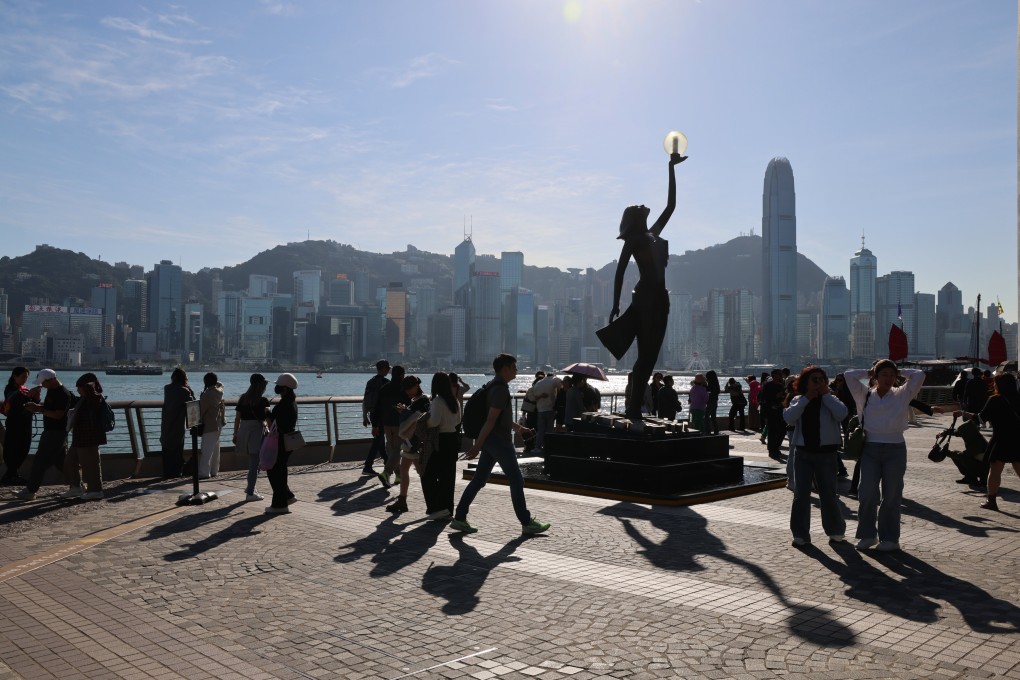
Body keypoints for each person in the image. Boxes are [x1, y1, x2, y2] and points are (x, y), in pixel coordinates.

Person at [603, 152, 685, 431]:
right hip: (645, 297)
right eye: (636, 207)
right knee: (644, 357)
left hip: (661, 298)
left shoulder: (654, 232)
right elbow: (619, 272)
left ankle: (634, 406)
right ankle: (633, 407)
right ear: (631, 219)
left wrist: (671, 168)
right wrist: (615, 304)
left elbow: (671, 205)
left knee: (651, 357)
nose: (642, 205)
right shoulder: (635, 240)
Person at [450, 353, 548, 536]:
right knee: (516, 479)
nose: (516, 370)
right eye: (514, 367)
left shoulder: (493, 386)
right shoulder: (500, 389)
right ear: (505, 369)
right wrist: (477, 446)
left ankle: (460, 517)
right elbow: (490, 420)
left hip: (491, 440)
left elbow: (498, 417)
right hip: (499, 442)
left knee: (479, 480)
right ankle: (526, 523)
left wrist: (519, 428)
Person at [845, 360, 924, 551]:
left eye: (892, 375)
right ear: (875, 377)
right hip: (870, 448)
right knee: (867, 493)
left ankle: (890, 538)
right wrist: (869, 370)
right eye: (884, 375)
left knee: (892, 495)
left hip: (895, 449)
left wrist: (899, 370)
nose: (889, 379)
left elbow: (919, 375)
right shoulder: (865, 394)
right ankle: (867, 535)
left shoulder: (902, 394)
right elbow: (848, 375)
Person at [784, 367, 848, 546]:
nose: (818, 382)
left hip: (827, 454)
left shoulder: (831, 399)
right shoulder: (798, 399)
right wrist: (806, 399)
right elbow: (789, 418)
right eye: (814, 379)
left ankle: (835, 531)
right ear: (805, 382)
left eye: (822, 379)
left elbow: (842, 414)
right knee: (801, 495)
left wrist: (826, 395)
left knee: (828, 494)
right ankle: (800, 534)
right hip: (803, 453)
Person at [956, 373, 1020, 511]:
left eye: (996, 383)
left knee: (995, 471)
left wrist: (963, 413)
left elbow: (980, 419)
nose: (994, 385)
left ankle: (991, 501)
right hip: (1017, 439)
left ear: (1000, 385)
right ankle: (991, 501)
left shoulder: (995, 400)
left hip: (1000, 440)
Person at [17, 369, 71, 500]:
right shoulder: (52, 391)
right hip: (54, 431)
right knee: (62, 462)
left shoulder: (63, 394)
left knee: (40, 461)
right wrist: (37, 405)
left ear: (51, 380)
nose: (43, 386)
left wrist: (38, 409)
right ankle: (77, 485)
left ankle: (30, 490)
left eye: (44, 383)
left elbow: (58, 415)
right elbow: (50, 410)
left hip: (55, 432)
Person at [387, 375, 430, 514]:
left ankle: (432, 502)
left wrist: (404, 411)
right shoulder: (416, 400)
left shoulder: (423, 400)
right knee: (406, 470)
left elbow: (419, 418)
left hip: (416, 442)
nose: (407, 391)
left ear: (416, 386)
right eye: (405, 389)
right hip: (411, 442)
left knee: (422, 473)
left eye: (409, 388)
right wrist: (405, 410)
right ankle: (402, 500)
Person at [421, 372, 461, 521]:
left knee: (427, 474)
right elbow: (457, 421)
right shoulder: (454, 401)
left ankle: (437, 507)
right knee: (448, 476)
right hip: (452, 439)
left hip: (440, 440)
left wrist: (424, 420)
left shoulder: (438, 401)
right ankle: (447, 508)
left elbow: (434, 422)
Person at [66, 373, 107, 500]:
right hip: (79, 437)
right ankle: (76, 487)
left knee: (91, 464)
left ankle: (95, 490)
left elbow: (93, 398)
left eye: (79, 387)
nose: (77, 389)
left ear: (87, 386)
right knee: (70, 461)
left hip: (89, 437)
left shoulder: (94, 398)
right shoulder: (84, 398)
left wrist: (90, 386)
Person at [233, 373, 270, 502]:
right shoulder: (263, 400)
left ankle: (250, 487)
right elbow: (268, 418)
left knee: (255, 461)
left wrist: (235, 433)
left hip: (244, 430)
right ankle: (250, 492)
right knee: (255, 462)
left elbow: (237, 418)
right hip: (257, 432)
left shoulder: (243, 398)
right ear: (261, 385)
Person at [265, 373, 299, 514]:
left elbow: (276, 423)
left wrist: (267, 413)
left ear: (284, 388)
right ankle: (287, 496)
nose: (276, 387)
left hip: (280, 440)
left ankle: (280, 505)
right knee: (280, 469)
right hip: (287, 440)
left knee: (275, 470)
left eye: (278, 385)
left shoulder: (284, 404)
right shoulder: (291, 401)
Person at [372, 365, 407, 488]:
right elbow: (409, 407)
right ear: (402, 375)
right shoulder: (404, 389)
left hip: (386, 423)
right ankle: (387, 473)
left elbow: (377, 407)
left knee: (391, 449)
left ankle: (398, 475)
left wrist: (375, 424)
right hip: (399, 423)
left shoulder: (384, 388)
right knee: (397, 449)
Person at [2, 367, 36, 485]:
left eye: (26, 377)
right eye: (22, 377)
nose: (24, 380)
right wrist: (28, 395)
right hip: (15, 423)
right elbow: (13, 401)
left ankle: (11, 475)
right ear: (14, 376)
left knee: (24, 448)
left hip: (26, 423)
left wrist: (35, 396)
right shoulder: (10, 389)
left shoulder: (24, 389)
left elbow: (32, 403)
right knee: (13, 449)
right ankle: (12, 475)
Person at [160, 368, 194, 480]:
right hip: (178, 424)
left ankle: (166, 472)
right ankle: (175, 472)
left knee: (166, 446)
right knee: (177, 448)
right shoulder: (184, 391)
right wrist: (190, 390)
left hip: (166, 422)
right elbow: (192, 404)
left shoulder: (167, 388)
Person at [361, 360, 390, 475]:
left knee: (380, 442)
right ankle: (367, 466)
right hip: (382, 415)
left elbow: (365, 400)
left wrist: (364, 416)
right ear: (383, 369)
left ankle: (388, 463)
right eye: (387, 368)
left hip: (372, 414)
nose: (388, 370)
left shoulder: (370, 382)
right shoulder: (386, 382)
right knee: (378, 441)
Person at [198, 372, 225, 479]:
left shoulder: (207, 394)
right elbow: (220, 384)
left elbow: (201, 410)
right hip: (218, 423)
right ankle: (214, 470)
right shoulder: (219, 391)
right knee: (215, 448)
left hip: (209, 424)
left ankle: (204, 472)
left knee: (206, 449)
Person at [760, 368, 788, 463]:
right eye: (778, 374)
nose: (780, 376)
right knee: (772, 431)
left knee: (782, 429)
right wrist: (775, 396)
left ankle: (775, 447)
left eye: (781, 374)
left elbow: (783, 397)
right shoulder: (767, 385)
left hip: (779, 410)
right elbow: (763, 397)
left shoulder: (781, 386)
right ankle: (772, 450)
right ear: (773, 375)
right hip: (770, 411)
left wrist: (783, 397)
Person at [532, 371, 563, 453]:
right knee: (549, 430)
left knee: (540, 430)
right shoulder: (554, 379)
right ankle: (548, 446)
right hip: (550, 409)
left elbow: (534, 397)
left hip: (540, 410)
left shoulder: (538, 382)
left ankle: (537, 447)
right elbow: (562, 387)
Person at [520, 371, 544, 452]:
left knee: (535, 429)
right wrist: (541, 396)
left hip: (535, 412)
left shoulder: (533, 389)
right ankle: (529, 446)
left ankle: (532, 445)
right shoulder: (532, 390)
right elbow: (532, 399)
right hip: (532, 412)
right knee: (531, 429)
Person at [704, 370, 721, 435]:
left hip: (711, 401)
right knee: (713, 417)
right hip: (715, 401)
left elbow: (708, 389)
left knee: (706, 416)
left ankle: (708, 431)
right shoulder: (716, 383)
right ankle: (716, 431)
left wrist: (705, 385)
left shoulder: (711, 383)